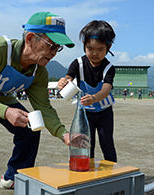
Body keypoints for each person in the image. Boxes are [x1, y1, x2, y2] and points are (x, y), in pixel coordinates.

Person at [0, 11, 76, 195]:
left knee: (31, 129)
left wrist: (65, 134)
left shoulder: (39, 72)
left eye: (58, 48)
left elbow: (44, 108)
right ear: (30, 38)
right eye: (52, 45)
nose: (54, 52)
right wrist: (5, 111)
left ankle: (13, 177)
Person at [58, 20, 117, 162]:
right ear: (84, 44)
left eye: (100, 49)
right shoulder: (77, 63)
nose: (95, 53)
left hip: (104, 112)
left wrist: (95, 98)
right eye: (90, 48)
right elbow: (68, 78)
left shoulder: (109, 68)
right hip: (84, 113)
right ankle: (87, 169)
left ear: (108, 47)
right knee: (86, 143)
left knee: (107, 142)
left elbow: (106, 89)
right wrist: (64, 82)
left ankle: (114, 171)